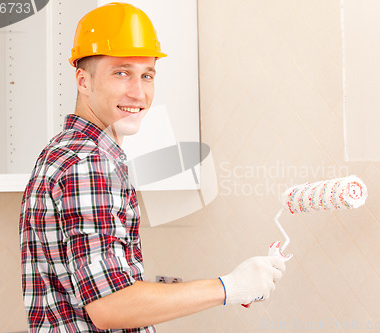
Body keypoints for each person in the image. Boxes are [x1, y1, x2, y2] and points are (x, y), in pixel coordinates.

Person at [19, 2, 286, 332]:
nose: (139, 92)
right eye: (121, 73)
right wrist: (229, 287)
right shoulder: (89, 163)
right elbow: (111, 304)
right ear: (83, 81)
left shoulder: (65, 150)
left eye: (147, 75)